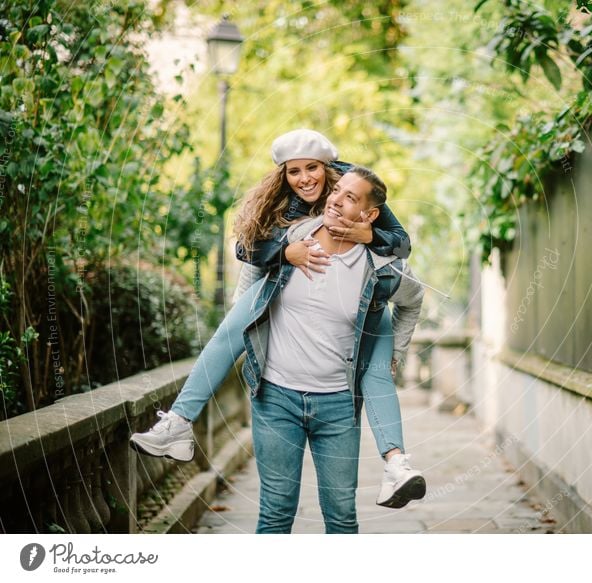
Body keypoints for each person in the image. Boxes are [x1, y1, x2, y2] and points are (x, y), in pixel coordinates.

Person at [130, 129, 425, 509]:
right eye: (294, 171)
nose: (305, 179)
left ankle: (397, 464)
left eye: (313, 169)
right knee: (229, 332)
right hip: (285, 315)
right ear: (282, 174)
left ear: (330, 168)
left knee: (378, 371)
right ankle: (179, 423)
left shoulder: (356, 185)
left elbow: (401, 243)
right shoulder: (287, 210)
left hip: (365, 305)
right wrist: (285, 254)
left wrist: (369, 234)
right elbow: (247, 251)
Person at [249, 165, 424, 533]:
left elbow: (414, 298)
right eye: (337, 191)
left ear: (370, 215)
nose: (336, 200)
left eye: (350, 197)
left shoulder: (381, 267)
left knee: (342, 517)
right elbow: (246, 276)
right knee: (275, 513)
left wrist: (398, 352)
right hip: (276, 397)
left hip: (338, 404)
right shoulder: (292, 239)